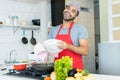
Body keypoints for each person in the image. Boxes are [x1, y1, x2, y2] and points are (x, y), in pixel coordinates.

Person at [48, 2, 89, 69]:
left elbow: (85, 51)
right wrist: (42, 48)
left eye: (73, 11)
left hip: (75, 72)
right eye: (68, 8)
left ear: (76, 17)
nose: (69, 11)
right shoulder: (53, 30)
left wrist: (68, 46)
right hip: (58, 71)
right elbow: (50, 50)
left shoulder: (80, 29)